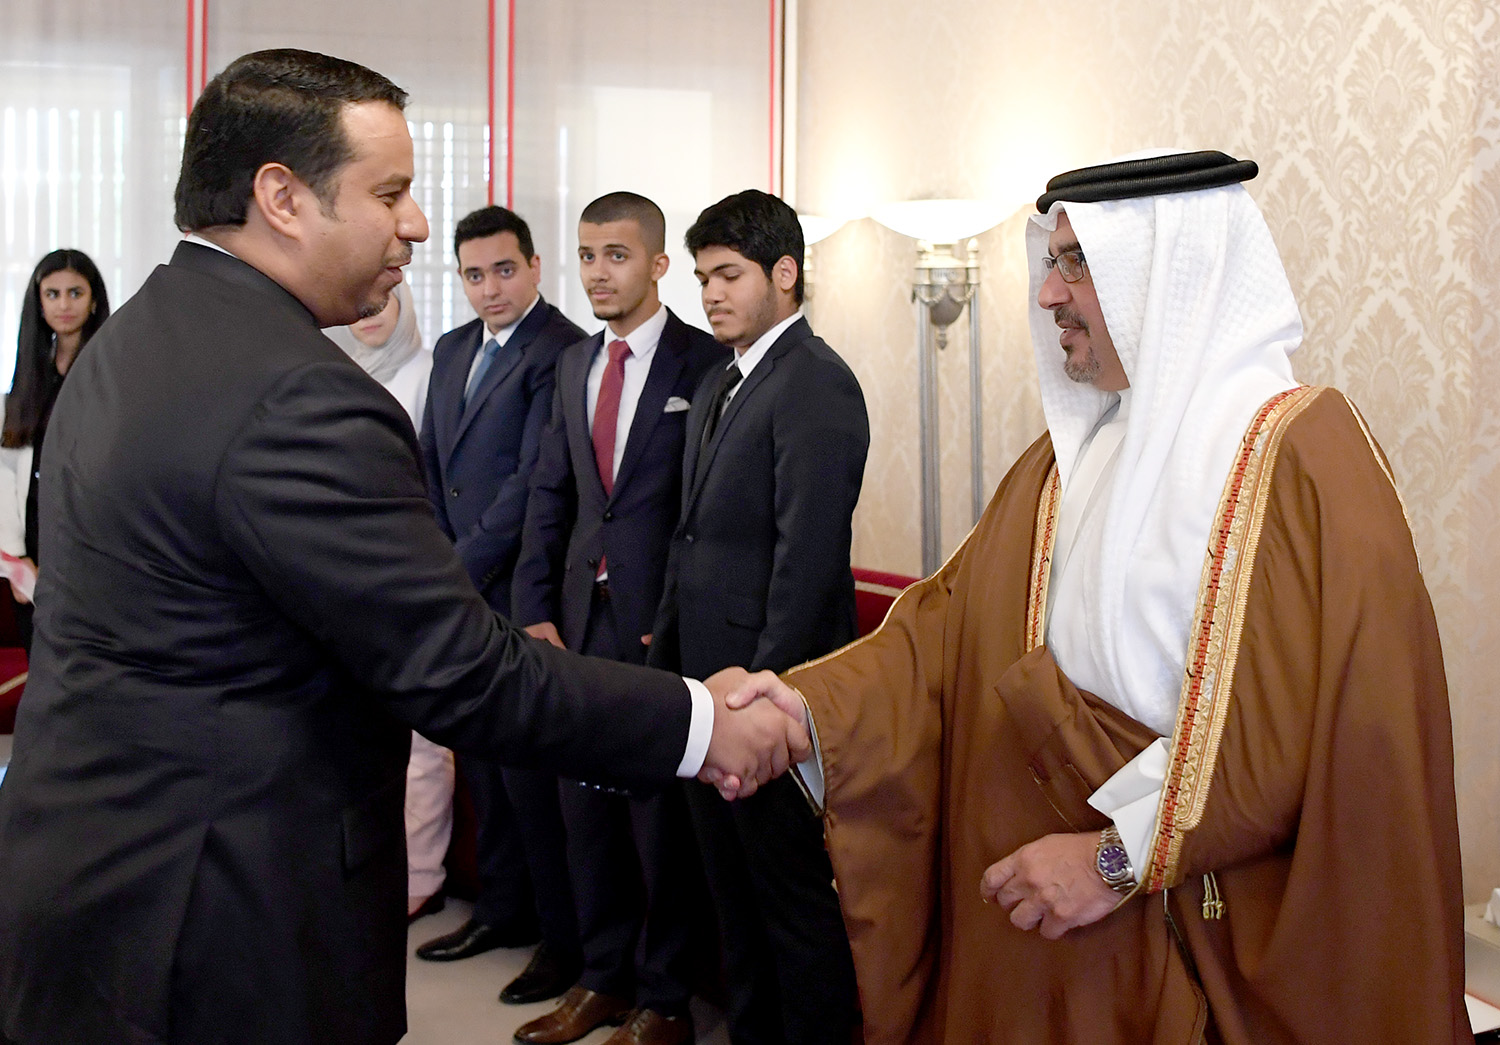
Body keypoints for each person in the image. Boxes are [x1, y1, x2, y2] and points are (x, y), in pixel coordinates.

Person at [0, 48, 806, 1045]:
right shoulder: (297, 393)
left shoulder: (130, 341)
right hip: (219, 923)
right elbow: (462, 673)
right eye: (390, 193)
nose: (418, 223)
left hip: (87, 890)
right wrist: (702, 722)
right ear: (282, 198)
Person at [721, 151, 1470, 1042]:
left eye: (1078, 263)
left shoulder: (1301, 451)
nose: (1049, 294)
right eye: (1053, 261)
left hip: (1200, 938)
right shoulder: (1071, 456)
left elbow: (1328, 730)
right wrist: (804, 711)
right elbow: (942, 632)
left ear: (1167, 272)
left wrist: (1114, 860)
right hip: (1038, 936)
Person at [648, 189, 868, 1045]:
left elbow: (806, 560)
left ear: (784, 273)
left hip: (771, 696)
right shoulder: (720, 380)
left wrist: (764, 691)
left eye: (729, 275)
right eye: (703, 276)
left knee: (790, 902)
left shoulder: (816, 380)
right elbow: (690, 537)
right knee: (729, 895)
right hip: (704, 685)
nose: (710, 294)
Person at [510, 192, 727, 1045]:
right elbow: (550, 497)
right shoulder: (574, 364)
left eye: (617, 255)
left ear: (659, 264)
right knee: (584, 813)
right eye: (587, 256)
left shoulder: (704, 361)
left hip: (656, 628)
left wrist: (672, 618)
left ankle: (665, 999)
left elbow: (703, 513)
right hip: (576, 622)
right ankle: (601, 977)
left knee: (656, 823)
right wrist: (534, 610)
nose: (598, 273)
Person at [412, 204, 587, 1007]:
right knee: (482, 764)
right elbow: (429, 464)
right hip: (463, 590)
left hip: (525, 589)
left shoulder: (562, 350)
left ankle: (560, 938)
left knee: (532, 781)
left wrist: (457, 564)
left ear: (536, 266)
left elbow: (532, 483)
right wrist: (438, 559)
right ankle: (501, 910)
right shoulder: (451, 349)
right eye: (475, 274)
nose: (491, 288)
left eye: (505, 270)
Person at [326, 283, 452, 922]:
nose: (371, 318)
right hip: (341, 569)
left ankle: (423, 876)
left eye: (383, 305)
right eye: (363, 309)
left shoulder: (429, 373)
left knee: (423, 737)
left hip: (410, 564)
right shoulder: (332, 375)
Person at [0, 249, 110, 650]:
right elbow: (6, 472)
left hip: (93, 542)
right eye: (53, 294)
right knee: (41, 656)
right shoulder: (25, 384)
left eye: (75, 292)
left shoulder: (111, 375)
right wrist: (16, 560)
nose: (64, 304)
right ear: (39, 302)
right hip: (34, 545)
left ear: (93, 300)